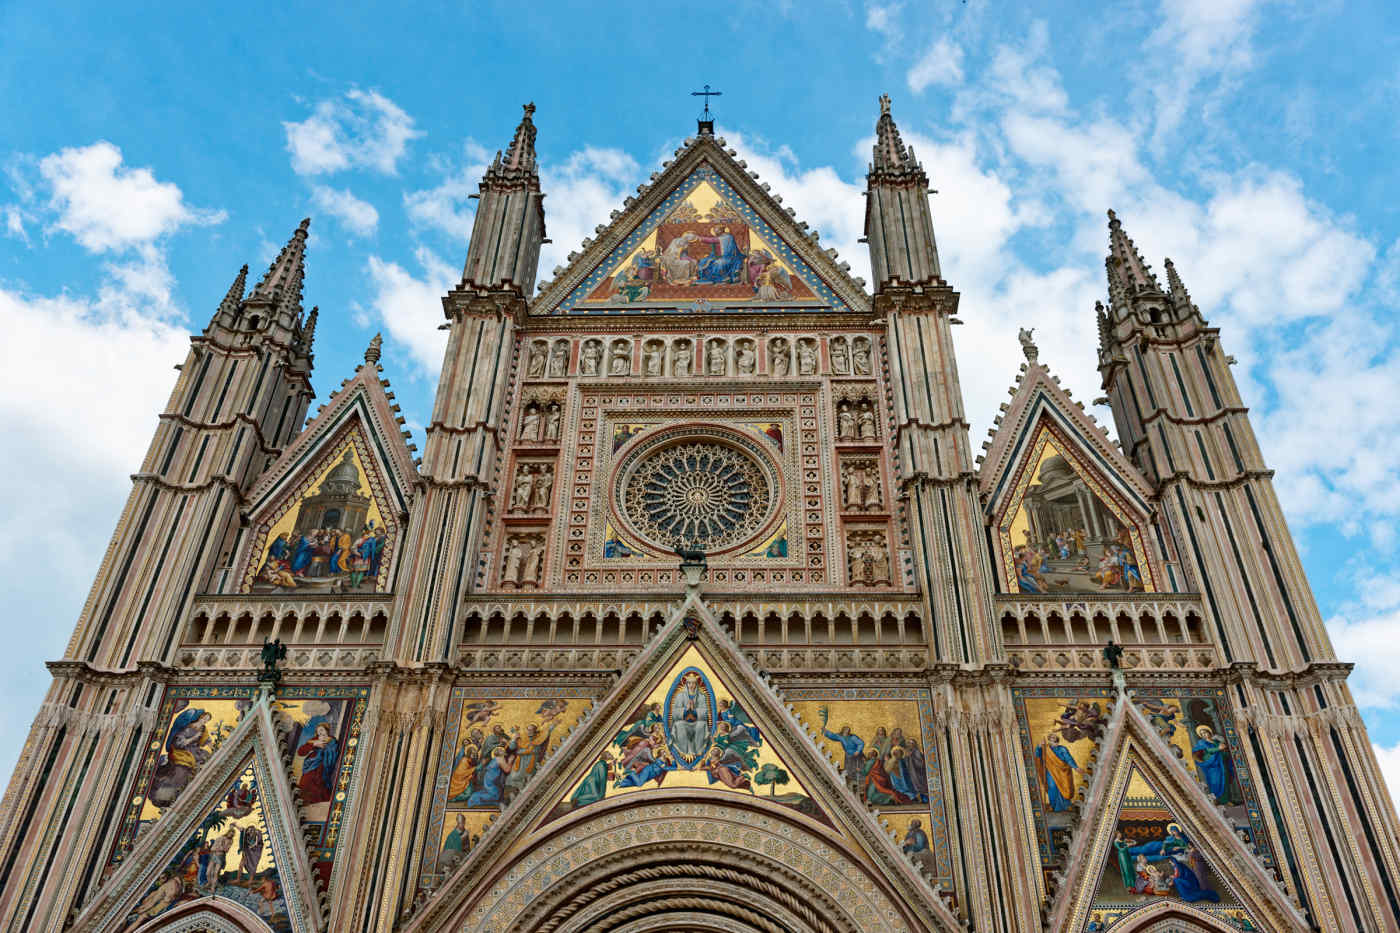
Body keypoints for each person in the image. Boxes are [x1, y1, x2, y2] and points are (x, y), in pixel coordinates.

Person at [1034, 733, 1080, 811]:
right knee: (1052, 787)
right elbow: (1037, 755)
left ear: (1057, 739)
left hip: (1063, 771)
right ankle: (1053, 805)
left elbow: (1068, 759)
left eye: (1054, 737)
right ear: (1049, 739)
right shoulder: (1045, 749)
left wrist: (1075, 767)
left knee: (1065, 787)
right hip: (1051, 772)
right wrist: (1039, 746)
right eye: (1051, 737)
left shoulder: (1062, 749)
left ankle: (1067, 805)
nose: (1052, 738)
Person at [297, 721, 339, 805]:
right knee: (306, 780)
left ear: (327, 731)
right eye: (318, 731)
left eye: (322, 730)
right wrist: (314, 745)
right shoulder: (314, 740)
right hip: (311, 763)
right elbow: (300, 752)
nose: (320, 732)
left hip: (323, 763)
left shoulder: (332, 740)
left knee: (318, 780)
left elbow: (333, 751)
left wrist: (324, 748)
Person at [1192, 725, 1231, 803]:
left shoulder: (1216, 741)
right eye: (1202, 734)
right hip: (1212, 765)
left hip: (1221, 763)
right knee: (1215, 781)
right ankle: (1216, 799)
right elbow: (1208, 750)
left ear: (1209, 732)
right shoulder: (1202, 742)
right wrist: (1218, 748)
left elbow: (1223, 749)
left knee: (1225, 780)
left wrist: (1224, 749)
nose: (1204, 735)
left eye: (1205, 732)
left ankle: (1226, 800)